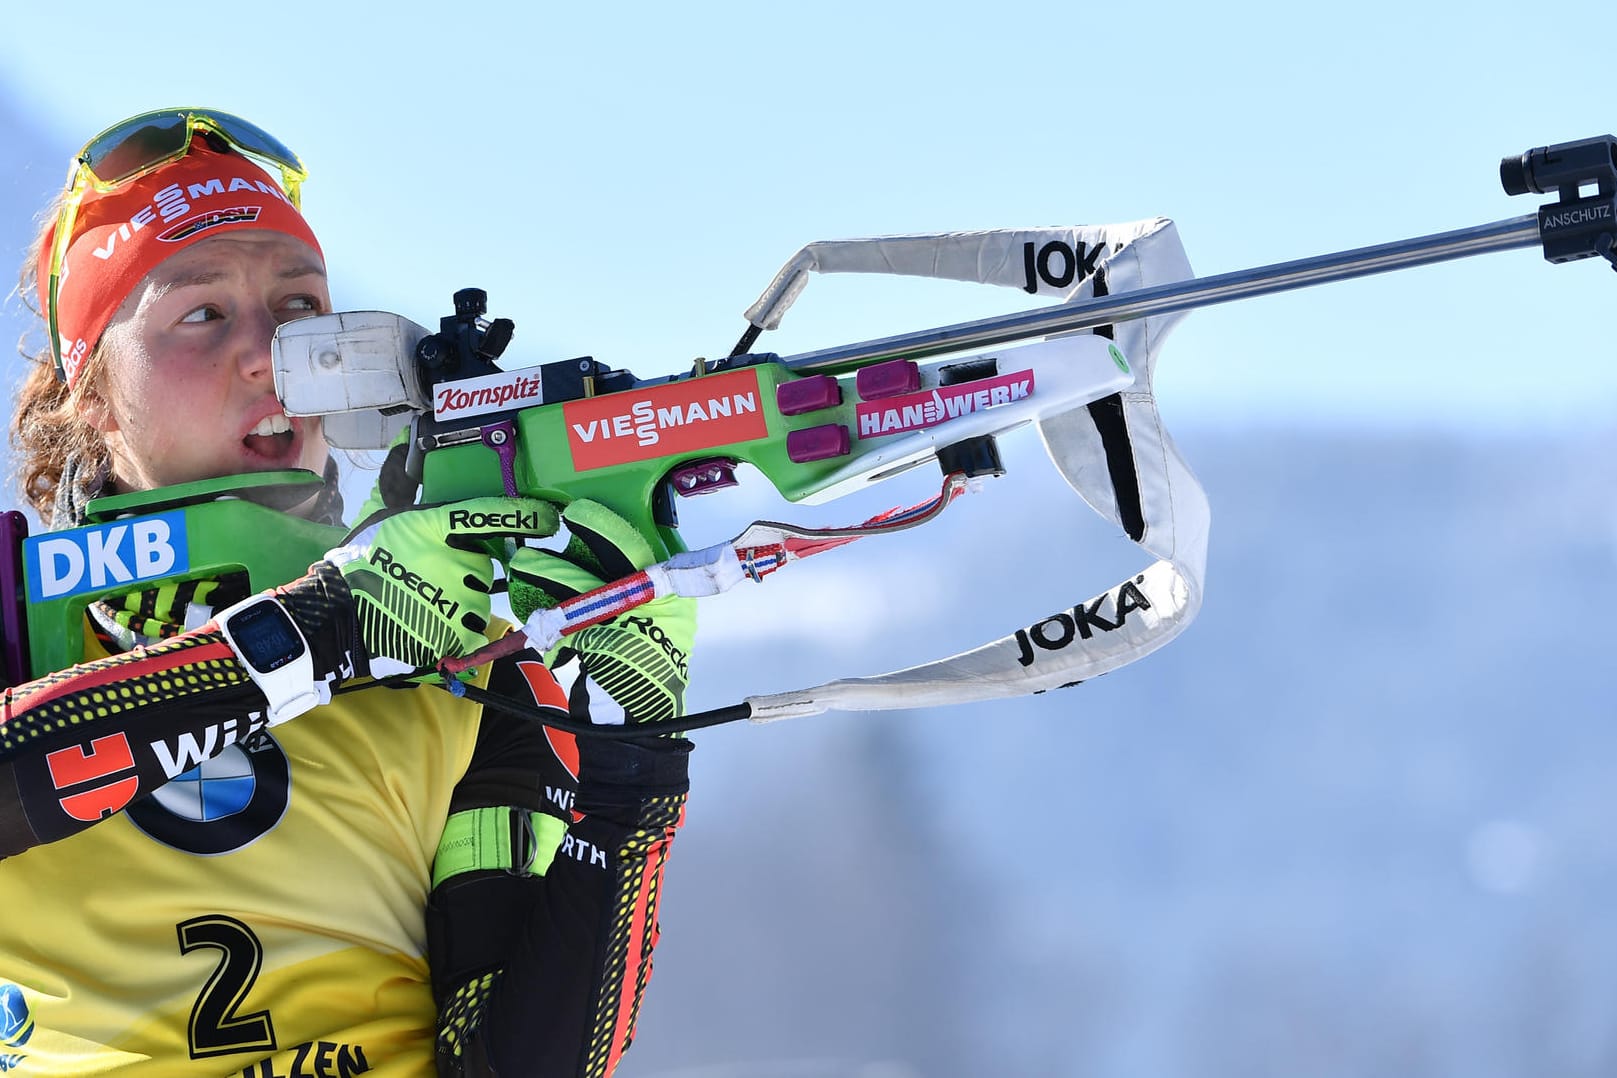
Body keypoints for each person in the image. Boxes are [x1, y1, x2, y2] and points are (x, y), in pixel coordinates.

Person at [0, 108, 696, 1077]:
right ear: (97, 400)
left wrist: (634, 765)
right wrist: (323, 633)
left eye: (299, 312)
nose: (268, 357)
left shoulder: (458, 661)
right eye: (203, 315)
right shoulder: (19, 622)